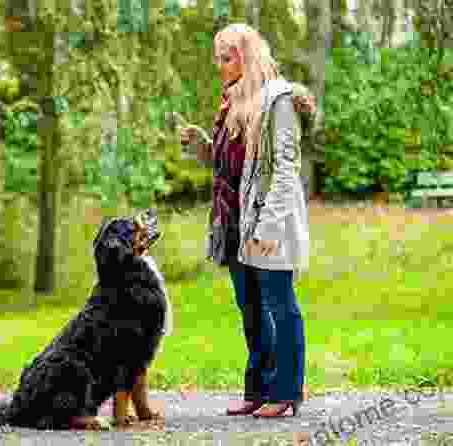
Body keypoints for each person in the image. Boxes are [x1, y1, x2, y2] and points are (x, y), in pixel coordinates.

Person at [180, 23, 313, 418]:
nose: (220, 66)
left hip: (264, 222)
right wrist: (204, 146)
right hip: (233, 222)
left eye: (228, 57)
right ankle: (259, 390)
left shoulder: (277, 101)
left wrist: (270, 228)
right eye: (218, 59)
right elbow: (230, 168)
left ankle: (287, 391)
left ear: (248, 55)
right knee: (251, 308)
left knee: (279, 304)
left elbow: (286, 169)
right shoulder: (231, 103)